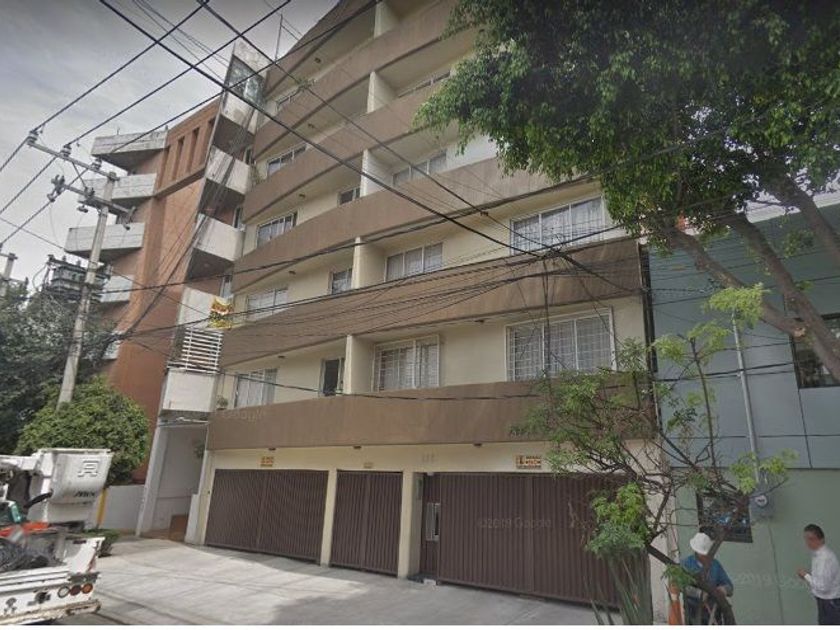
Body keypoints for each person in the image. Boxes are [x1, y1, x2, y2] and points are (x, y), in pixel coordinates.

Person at [681, 532, 734, 624]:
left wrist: (723, 590)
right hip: (693, 612)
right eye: (702, 554)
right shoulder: (686, 564)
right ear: (696, 551)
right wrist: (698, 593)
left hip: (714, 612)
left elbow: (729, 586)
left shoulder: (715, 565)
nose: (704, 556)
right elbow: (681, 586)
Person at [797, 523, 840, 625]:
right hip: (827, 603)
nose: (808, 542)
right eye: (806, 539)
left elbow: (823, 586)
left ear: (821, 539)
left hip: (830, 604)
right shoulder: (818, 555)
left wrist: (806, 575)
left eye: (811, 539)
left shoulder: (824, 559)